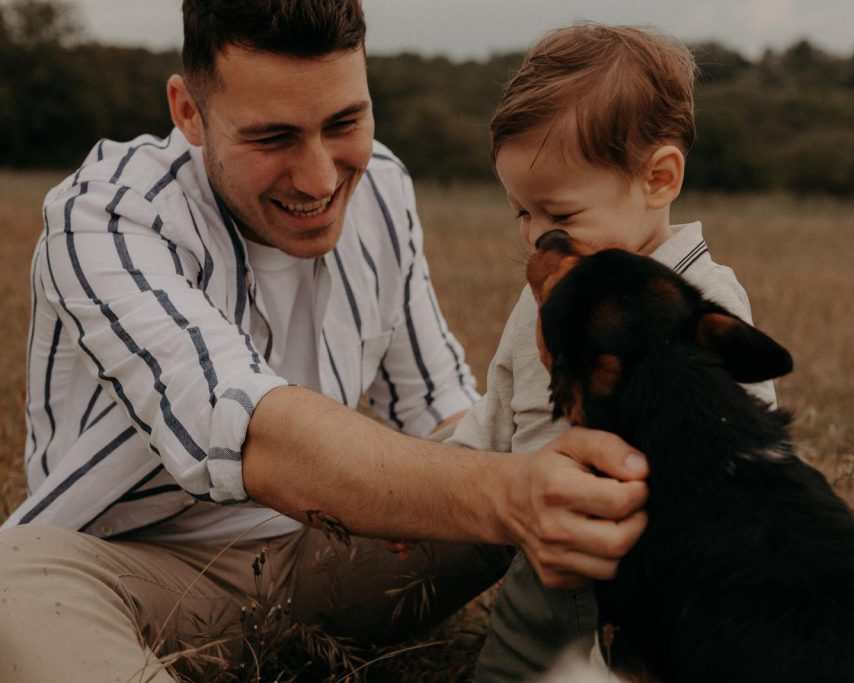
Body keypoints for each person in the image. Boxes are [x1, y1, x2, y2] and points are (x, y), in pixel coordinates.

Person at [0, 4, 650, 681]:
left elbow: (447, 413)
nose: (318, 179)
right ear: (188, 111)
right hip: (139, 580)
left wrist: (556, 469)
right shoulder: (103, 215)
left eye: (344, 123)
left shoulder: (385, 188)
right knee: (4, 585)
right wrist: (510, 492)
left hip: (336, 561)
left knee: (547, 446)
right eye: (271, 137)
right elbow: (252, 431)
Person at [445, 24, 779, 681]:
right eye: (521, 215)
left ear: (658, 178)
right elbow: (500, 408)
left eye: (558, 216)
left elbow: (749, 436)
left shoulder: (704, 302)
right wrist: (442, 483)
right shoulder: (547, 288)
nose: (538, 238)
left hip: (654, 566)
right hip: (544, 556)